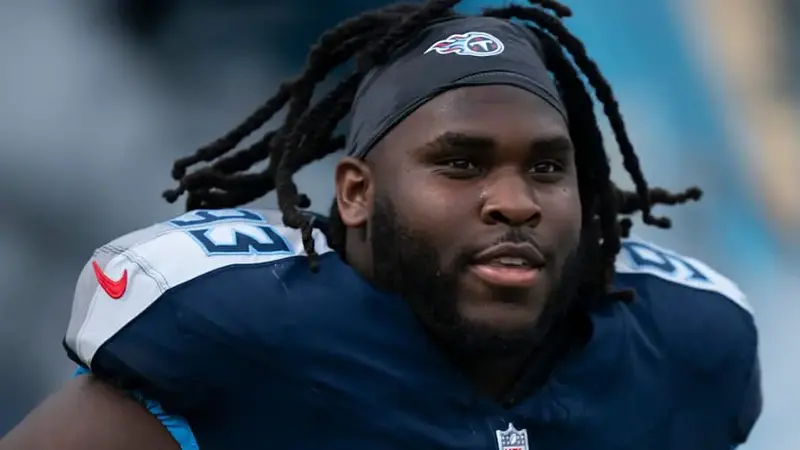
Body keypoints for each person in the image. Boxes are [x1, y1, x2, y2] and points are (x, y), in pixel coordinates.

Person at [0, 1, 761, 449]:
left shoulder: (686, 346)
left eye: (547, 168)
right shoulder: (238, 333)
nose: (514, 201)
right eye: (461, 165)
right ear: (357, 194)